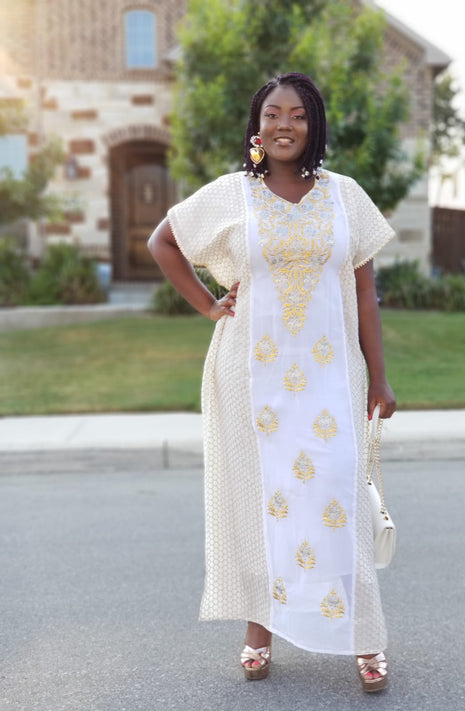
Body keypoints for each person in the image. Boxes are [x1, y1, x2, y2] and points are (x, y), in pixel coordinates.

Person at [148, 72, 396, 693]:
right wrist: (209, 306)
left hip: (332, 378)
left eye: (298, 115)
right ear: (257, 126)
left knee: (338, 499)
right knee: (263, 501)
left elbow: (365, 294)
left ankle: (365, 638)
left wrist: (379, 380)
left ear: (314, 126)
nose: (283, 125)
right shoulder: (233, 193)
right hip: (250, 380)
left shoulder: (345, 197)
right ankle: (258, 632)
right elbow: (163, 241)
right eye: (271, 115)